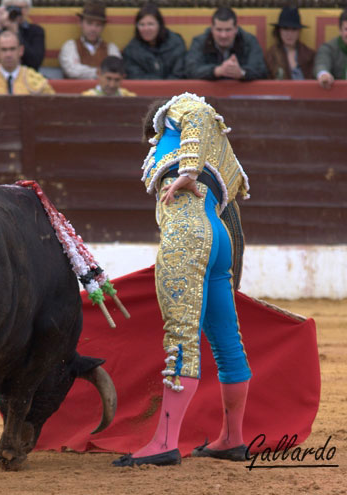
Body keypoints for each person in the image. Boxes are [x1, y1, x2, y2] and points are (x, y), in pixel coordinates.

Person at [113, 93, 252, 467]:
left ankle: (164, 442)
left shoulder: (175, 112)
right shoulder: (221, 151)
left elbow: (198, 112)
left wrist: (188, 172)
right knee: (227, 343)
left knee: (181, 336)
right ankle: (232, 439)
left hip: (187, 232)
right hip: (217, 237)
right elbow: (232, 210)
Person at [184, 7, 267, 81]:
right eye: (219, 30)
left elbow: (261, 71)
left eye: (228, 30)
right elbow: (190, 70)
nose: (223, 35)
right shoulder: (199, 41)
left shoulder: (249, 41)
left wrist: (242, 73)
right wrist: (216, 71)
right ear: (212, 29)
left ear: (236, 29)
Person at [0, 0, 45, 70]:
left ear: (28, 9)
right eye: (12, 7)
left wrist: (16, 32)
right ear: (3, 9)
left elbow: (35, 63)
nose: (16, 12)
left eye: (20, 8)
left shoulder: (36, 31)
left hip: (25, 74)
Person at [122, 2, 186, 79]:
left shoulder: (176, 43)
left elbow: (179, 73)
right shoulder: (131, 50)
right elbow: (135, 76)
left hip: (175, 89)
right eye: (142, 24)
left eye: (150, 24)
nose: (146, 29)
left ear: (160, 25)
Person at [58, 1, 121, 80]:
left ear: (103, 27)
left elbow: (116, 70)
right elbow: (72, 71)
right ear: (80, 23)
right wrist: (100, 72)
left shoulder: (111, 48)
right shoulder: (70, 46)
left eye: (98, 25)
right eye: (89, 23)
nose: (93, 29)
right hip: (75, 91)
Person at [265, 7, 315, 79]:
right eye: (285, 29)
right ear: (279, 31)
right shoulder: (271, 56)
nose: (289, 34)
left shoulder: (309, 55)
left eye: (294, 29)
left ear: (299, 32)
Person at [314, 9, 347, 90]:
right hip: (336, 97)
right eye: (346, 29)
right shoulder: (329, 48)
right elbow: (321, 64)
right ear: (340, 30)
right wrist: (324, 75)